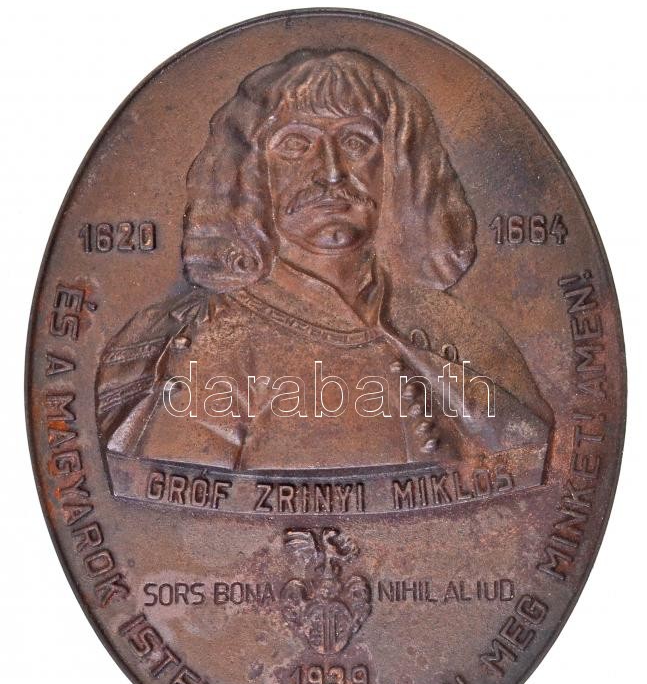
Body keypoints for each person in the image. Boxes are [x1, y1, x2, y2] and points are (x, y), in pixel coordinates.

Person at [96, 49, 552, 477]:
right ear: (250, 176)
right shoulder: (208, 344)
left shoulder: (466, 334)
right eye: (296, 145)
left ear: (396, 167)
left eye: (356, 142)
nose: (331, 171)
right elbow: (175, 510)